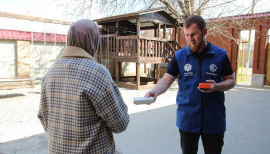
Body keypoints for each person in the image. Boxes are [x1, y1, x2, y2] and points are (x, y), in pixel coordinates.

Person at [145, 15, 235, 154]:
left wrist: (216, 86)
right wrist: (155, 91)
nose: (190, 39)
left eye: (194, 34)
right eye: (187, 35)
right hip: (187, 120)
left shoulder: (220, 55)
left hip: (214, 120)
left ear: (204, 32)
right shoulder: (179, 56)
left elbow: (231, 81)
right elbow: (166, 80)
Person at [38, 19, 129, 154]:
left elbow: (43, 117)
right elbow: (120, 123)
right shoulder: (98, 73)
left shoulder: (50, 72)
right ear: (94, 41)